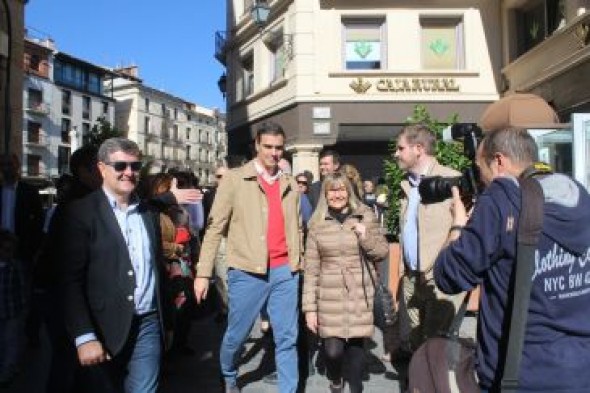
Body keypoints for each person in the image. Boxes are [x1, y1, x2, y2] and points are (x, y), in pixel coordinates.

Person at [434, 127, 590, 392]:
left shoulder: (501, 199)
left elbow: (448, 275)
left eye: (479, 167)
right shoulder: (578, 194)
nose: (480, 178)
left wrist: (459, 226)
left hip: (520, 375)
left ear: (499, 161)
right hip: (581, 370)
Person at [194, 121, 303, 393]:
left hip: (285, 271)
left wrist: (299, 264)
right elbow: (215, 227)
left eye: (279, 148)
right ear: (257, 145)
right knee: (237, 335)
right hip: (245, 270)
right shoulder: (234, 179)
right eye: (268, 146)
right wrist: (203, 273)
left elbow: (298, 227)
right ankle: (229, 374)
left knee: (287, 338)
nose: (274, 153)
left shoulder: (290, 183)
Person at [58, 138, 166, 393]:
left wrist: (166, 323)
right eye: (120, 165)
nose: (129, 172)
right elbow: (68, 280)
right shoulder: (79, 213)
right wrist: (84, 335)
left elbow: (156, 269)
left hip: (147, 323)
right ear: (102, 168)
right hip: (101, 325)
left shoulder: (149, 213)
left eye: (135, 166)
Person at [302, 172, 388, 393]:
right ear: (325, 194)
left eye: (341, 189)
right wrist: (309, 309)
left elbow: (381, 252)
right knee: (332, 351)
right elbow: (311, 270)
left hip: (359, 292)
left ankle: (355, 386)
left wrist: (364, 235)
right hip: (328, 295)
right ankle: (336, 379)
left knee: (357, 350)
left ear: (348, 192)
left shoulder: (364, 215)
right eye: (332, 190)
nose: (337, 195)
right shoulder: (316, 223)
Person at [389, 124, 464, 360]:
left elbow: (464, 229)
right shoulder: (405, 185)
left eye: (401, 148)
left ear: (418, 149)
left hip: (439, 278)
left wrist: (440, 266)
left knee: (435, 347)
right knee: (414, 343)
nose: (396, 153)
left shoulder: (451, 181)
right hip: (411, 275)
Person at [0, 230, 24, 387]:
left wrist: (23, 307)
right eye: (5, 250)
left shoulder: (15, 267)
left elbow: (21, 288)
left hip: (12, 311)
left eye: (11, 251)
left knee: (10, 342)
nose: (8, 254)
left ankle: (7, 370)